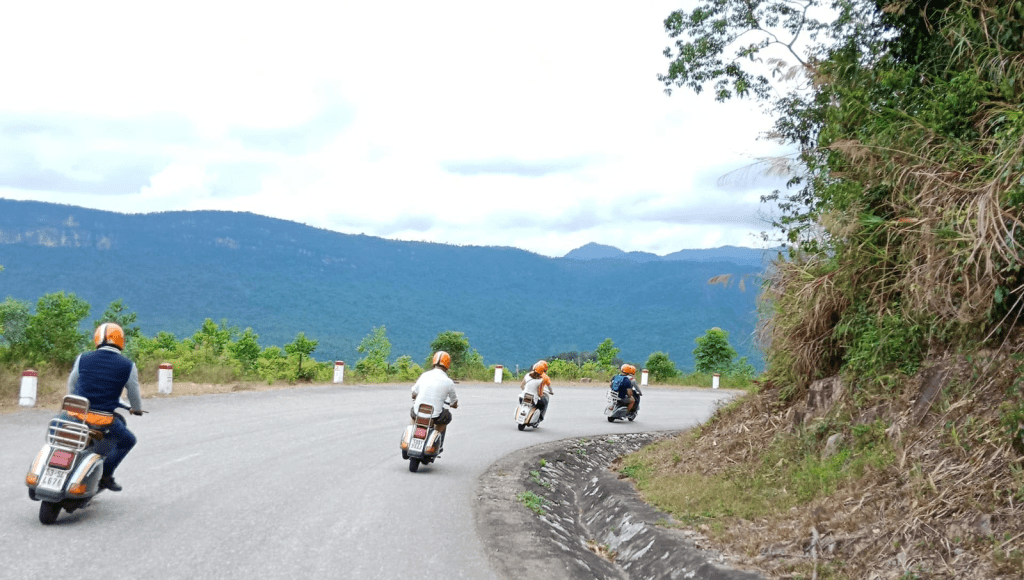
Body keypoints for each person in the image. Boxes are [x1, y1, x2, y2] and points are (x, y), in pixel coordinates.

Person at [66, 323, 144, 492]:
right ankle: (106, 476)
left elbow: (71, 384)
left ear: (97, 339)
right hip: (102, 420)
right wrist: (136, 408)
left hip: (75, 415)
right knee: (128, 441)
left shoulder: (83, 358)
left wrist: (74, 403)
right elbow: (134, 393)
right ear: (120, 341)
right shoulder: (128, 365)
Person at [410, 351, 459, 448]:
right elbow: (454, 402)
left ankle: (412, 434)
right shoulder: (449, 382)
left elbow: (414, 393)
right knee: (446, 416)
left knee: (413, 414)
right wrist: (454, 405)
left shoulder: (425, 375)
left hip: (418, 411)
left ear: (433, 361)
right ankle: (436, 441)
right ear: (447, 365)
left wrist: (415, 397)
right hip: (434, 415)